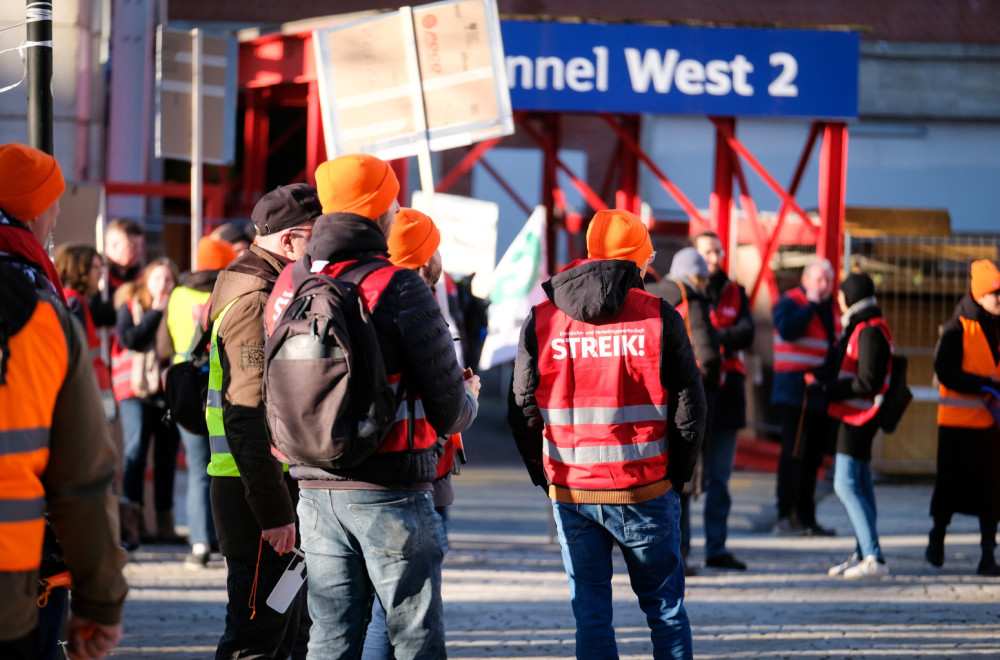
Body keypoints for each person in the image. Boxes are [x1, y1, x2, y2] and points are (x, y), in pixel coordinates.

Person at [267, 154, 473, 660]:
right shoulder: (398, 286)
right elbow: (447, 410)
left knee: (330, 637)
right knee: (413, 637)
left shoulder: (291, 282)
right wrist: (468, 399)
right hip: (391, 490)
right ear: (381, 210)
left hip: (312, 485)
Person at [510, 208, 706, 659]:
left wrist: (547, 476)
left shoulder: (542, 319)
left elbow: (522, 407)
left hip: (573, 491)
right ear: (638, 262)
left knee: (591, 611)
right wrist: (676, 478)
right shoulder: (659, 316)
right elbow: (690, 408)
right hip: (646, 488)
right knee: (666, 611)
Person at [0, 141, 128, 660]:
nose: (57, 214)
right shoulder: (37, 309)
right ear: (35, 210)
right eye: (53, 202)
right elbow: (81, 476)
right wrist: (101, 602)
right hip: (14, 581)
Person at [359, 207, 482, 660]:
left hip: (358, 469)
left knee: (369, 608)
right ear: (426, 257)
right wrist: (466, 392)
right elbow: (446, 410)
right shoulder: (416, 305)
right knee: (397, 611)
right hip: (413, 469)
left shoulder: (363, 291)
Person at [207, 184, 321, 658]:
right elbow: (246, 412)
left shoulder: (252, 281)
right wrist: (274, 512)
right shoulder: (257, 299)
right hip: (255, 492)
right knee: (256, 639)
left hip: (258, 486)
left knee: (286, 633)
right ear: (292, 240)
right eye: (317, 235)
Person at [157, 236, 237, 569]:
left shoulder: (178, 295)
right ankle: (226, 538)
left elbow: (162, 346)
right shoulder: (231, 292)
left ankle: (199, 543)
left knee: (196, 470)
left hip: (188, 392)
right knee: (227, 467)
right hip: (226, 389)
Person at [646, 247, 720, 576]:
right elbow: (708, 355)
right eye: (703, 276)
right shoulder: (693, 300)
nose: (706, 282)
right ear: (693, 276)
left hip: (648, 400)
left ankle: (653, 552)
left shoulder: (646, 296)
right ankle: (680, 554)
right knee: (683, 480)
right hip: (685, 399)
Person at [928, 259, 1000, 576]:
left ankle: (988, 556)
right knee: (948, 491)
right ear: (979, 295)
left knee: (993, 494)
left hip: (991, 427)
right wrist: (984, 384)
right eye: (994, 294)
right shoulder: (956, 328)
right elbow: (945, 372)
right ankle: (937, 538)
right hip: (958, 427)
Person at [818, 273, 893, 579]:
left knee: (845, 484)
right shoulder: (863, 326)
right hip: (855, 415)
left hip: (858, 417)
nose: (838, 301)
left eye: (841, 296)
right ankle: (865, 552)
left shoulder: (869, 330)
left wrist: (829, 389)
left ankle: (873, 556)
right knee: (860, 482)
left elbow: (868, 381)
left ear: (851, 298)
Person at [112, 257, 184, 548]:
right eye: (158, 279)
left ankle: (165, 526)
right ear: (146, 281)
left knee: (167, 458)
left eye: (169, 280)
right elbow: (132, 339)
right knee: (136, 454)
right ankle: (134, 525)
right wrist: (156, 311)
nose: (163, 285)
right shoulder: (129, 304)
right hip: (135, 390)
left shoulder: (178, 307)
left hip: (166, 391)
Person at [693, 231, 754, 570]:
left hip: (729, 394)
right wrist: (720, 339)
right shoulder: (688, 294)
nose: (714, 258)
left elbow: (746, 333)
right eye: (707, 252)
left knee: (720, 478)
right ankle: (681, 548)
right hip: (695, 391)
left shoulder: (736, 292)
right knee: (686, 479)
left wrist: (711, 338)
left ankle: (716, 548)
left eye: (717, 251)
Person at [771, 258, 839, 537]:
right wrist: (810, 303)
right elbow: (788, 329)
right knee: (793, 454)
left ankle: (807, 517)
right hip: (794, 391)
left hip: (819, 392)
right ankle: (786, 515)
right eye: (819, 280)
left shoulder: (829, 309)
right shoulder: (791, 302)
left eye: (828, 281)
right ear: (806, 278)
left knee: (813, 458)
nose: (824, 286)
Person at [55, 243, 117, 422]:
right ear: (79, 270)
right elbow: (75, 353)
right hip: (86, 391)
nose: (100, 273)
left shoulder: (70, 299)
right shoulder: (74, 302)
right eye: (95, 268)